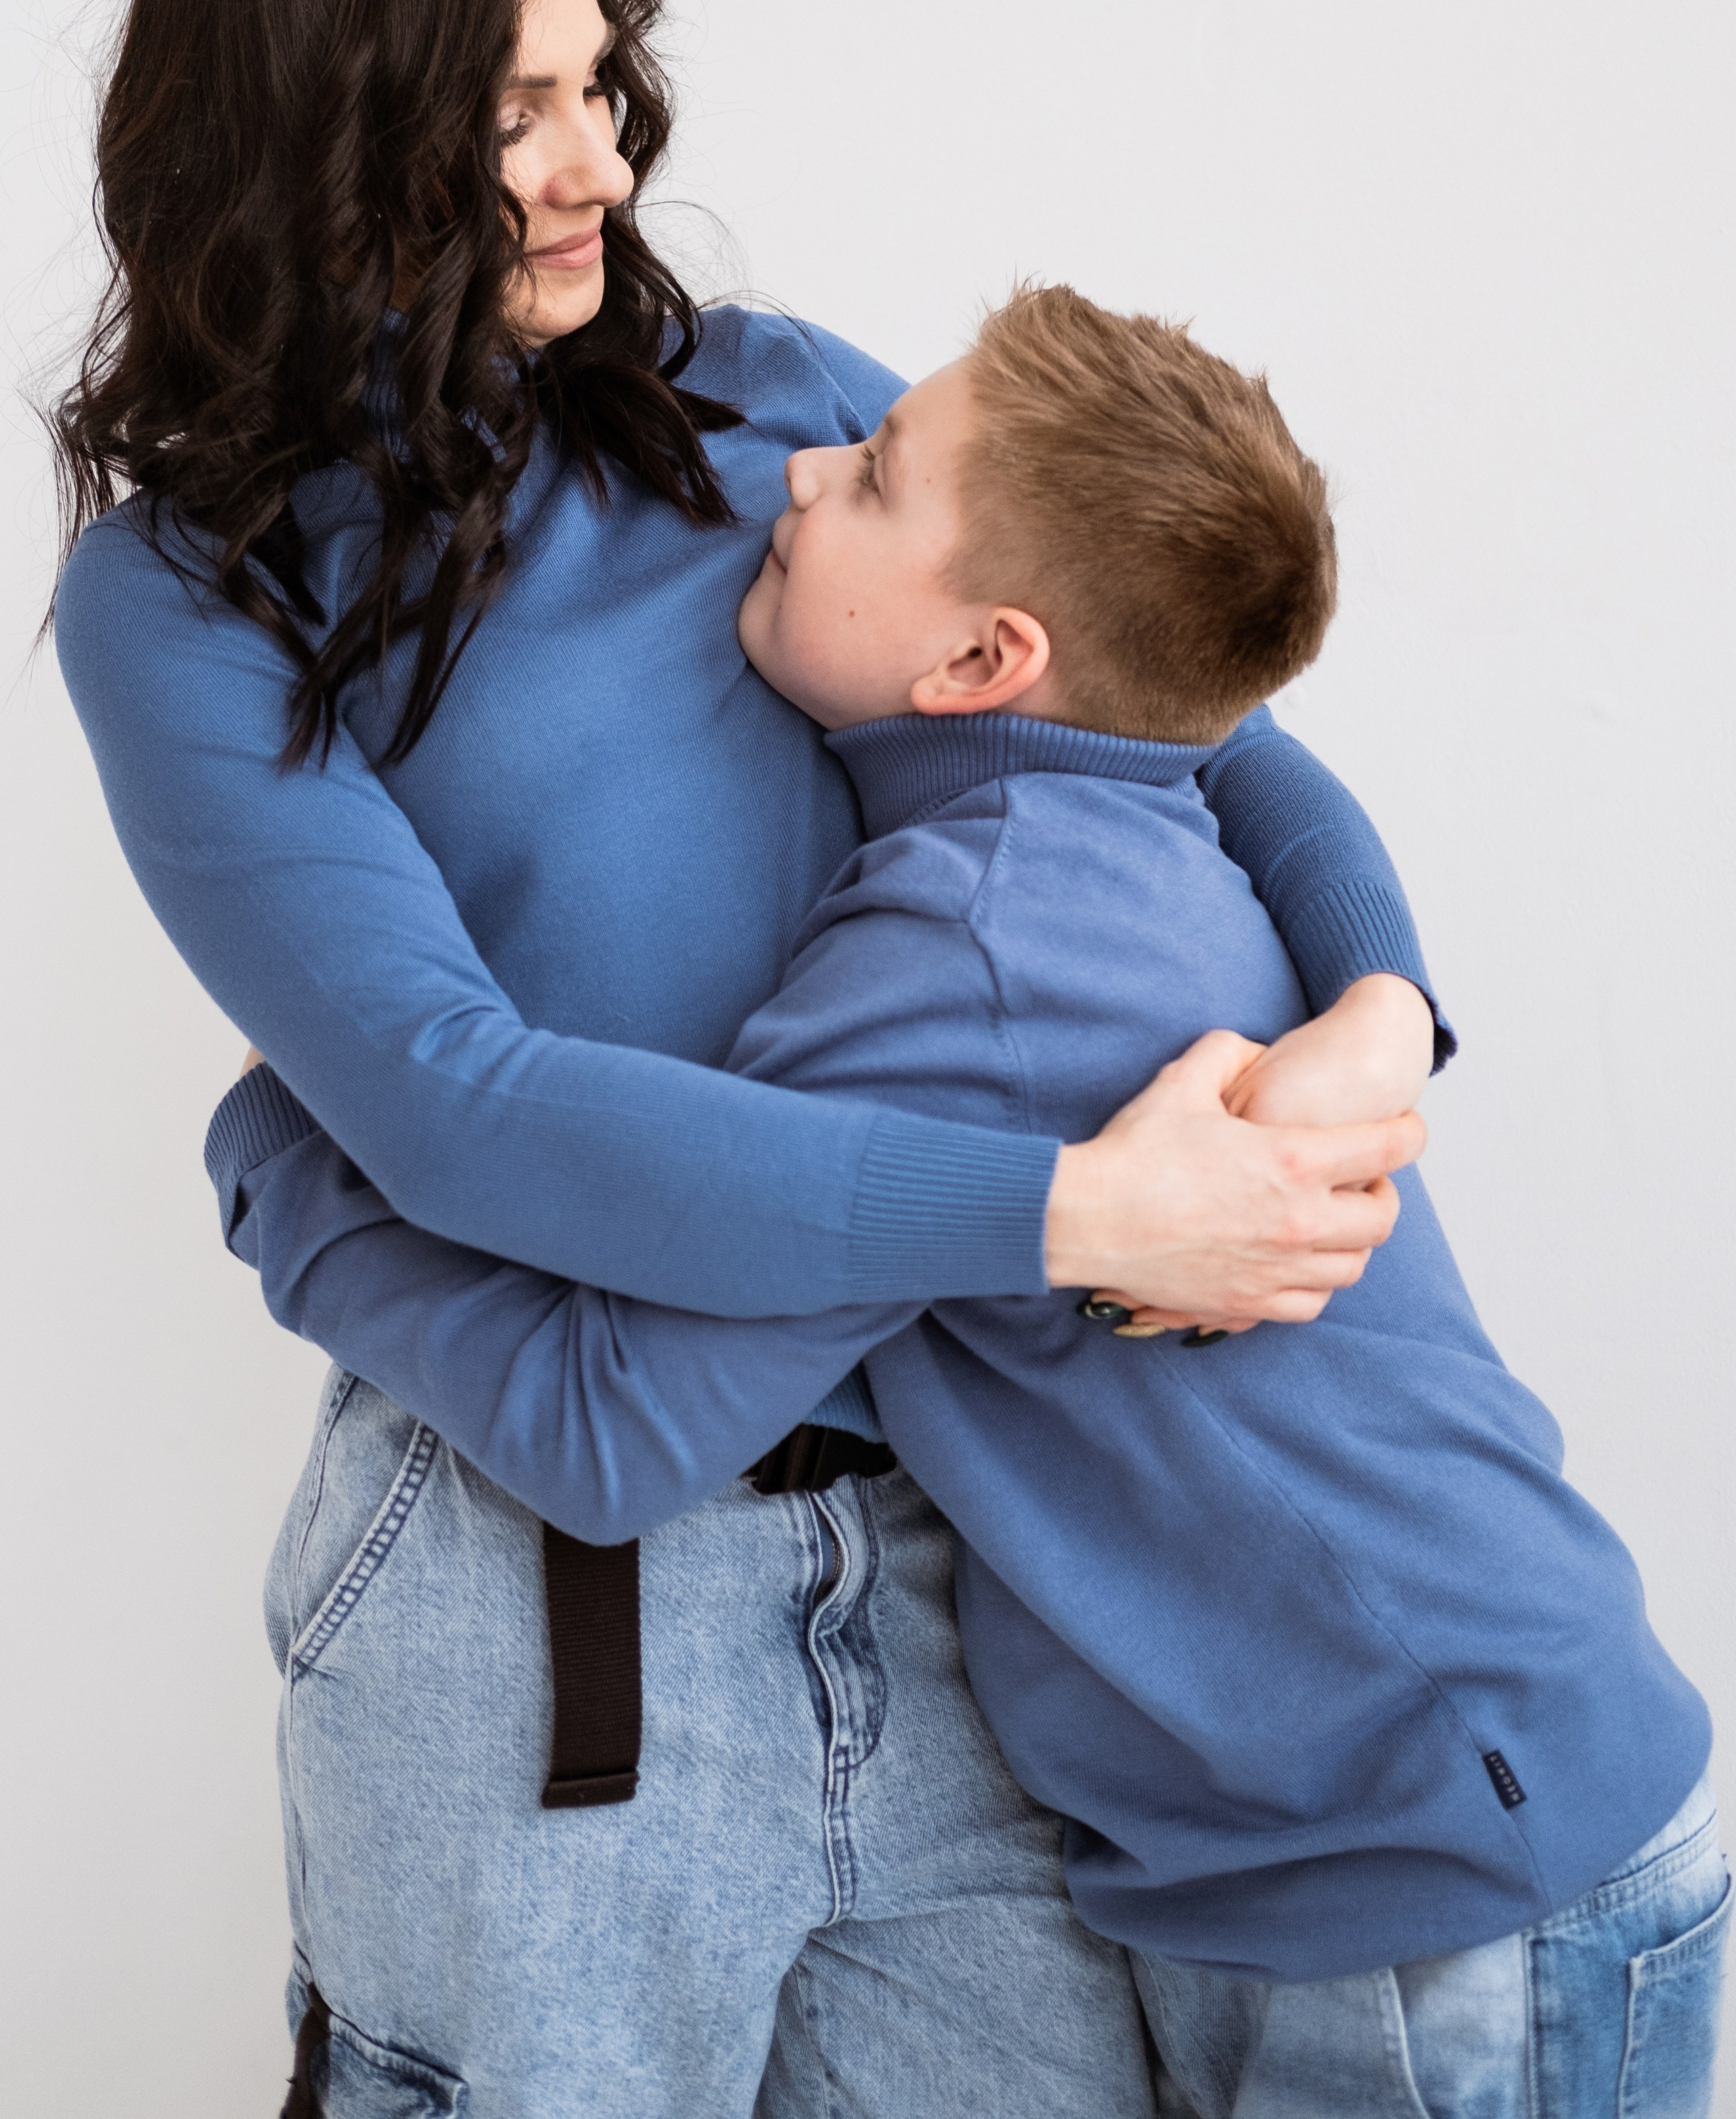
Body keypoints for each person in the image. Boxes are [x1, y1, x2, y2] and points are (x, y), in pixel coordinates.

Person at [52, 0, 1439, 2117]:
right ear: (309, 132)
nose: (601, 159)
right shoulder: (183, 601)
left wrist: (1390, 1007)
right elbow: (468, 1118)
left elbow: (1187, 717)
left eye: (600, 82)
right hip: (531, 1605)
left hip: (964, 1551)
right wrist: (1082, 1209)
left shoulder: (774, 407)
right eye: (511, 109)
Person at [216, 285, 1728, 2116]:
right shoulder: (1124, 806)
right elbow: (1270, 772)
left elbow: (611, 1428)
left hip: (1432, 1875)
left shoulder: (966, 951)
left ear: (981, 660)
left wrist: (285, 1162)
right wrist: (1390, 1003)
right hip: (1416, 1823)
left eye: (870, 483)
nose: (796, 476)